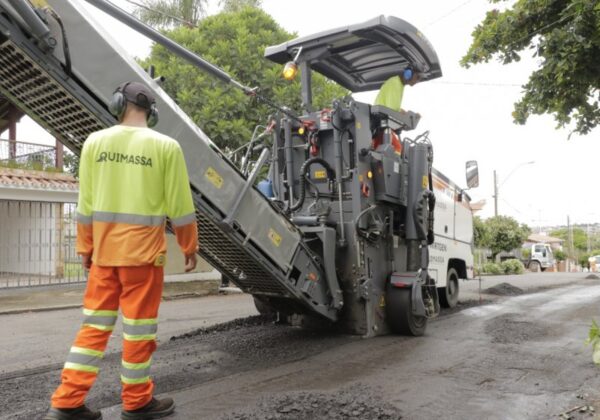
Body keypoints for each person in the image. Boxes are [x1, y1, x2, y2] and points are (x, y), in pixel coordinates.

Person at [44, 82, 199, 420]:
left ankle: (67, 403)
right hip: (143, 258)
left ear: (117, 104)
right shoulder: (166, 147)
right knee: (139, 330)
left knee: (92, 330)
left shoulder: (94, 143)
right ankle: (137, 401)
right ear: (152, 112)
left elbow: (85, 205)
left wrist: (86, 248)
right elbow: (181, 206)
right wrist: (189, 246)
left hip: (103, 256)